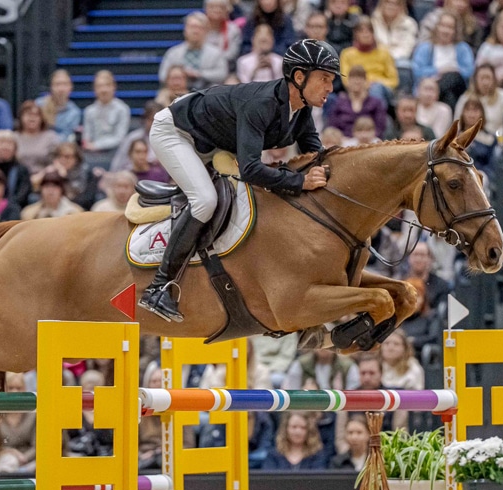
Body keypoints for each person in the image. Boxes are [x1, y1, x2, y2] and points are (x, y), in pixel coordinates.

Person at [140, 39, 335, 322]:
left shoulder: (302, 109)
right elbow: (251, 170)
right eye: (325, 79)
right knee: (206, 201)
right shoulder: (262, 104)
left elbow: (316, 153)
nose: (330, 87)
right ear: (299, 77)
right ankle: (158, 287)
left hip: (214, 141)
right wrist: (300, 182)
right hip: (177, 132)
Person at [411, 10, 474, 108]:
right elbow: (417, 71)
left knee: (453, 76)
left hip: (458, 85)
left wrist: (453, 70)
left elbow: (469, 71)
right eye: (443, 26)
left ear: (455, 30)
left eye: (450, 27)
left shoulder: (463, 48)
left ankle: (435, 92)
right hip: (433, 84)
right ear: (437, 27)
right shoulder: (425, 47)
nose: (445, 31)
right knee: (449, 97)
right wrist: (439, 71)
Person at [160, 12, 230, 92]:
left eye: (200, 28)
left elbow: (222, 74)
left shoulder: (216, 53)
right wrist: (181, 74)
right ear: (185, 30)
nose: (195, 31)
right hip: (177, 94)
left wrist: (199, 74)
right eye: (192, 27)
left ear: (207, 31)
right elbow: (163, 76)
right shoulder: (173, 53)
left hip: (207, 92)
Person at [339, 17, 399, 105]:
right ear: (356, 34)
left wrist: (375, 82)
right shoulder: (347, 54)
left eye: (369, 31)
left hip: (382, 89)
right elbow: (346, 80)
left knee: (376, 89)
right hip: (357, 88)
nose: (366, 34)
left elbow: (394, 81)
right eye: (361, 31)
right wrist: (365, 85)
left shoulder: (384, 53)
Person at [81, 71, 131, 172]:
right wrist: (90, 145)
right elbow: (86, 137)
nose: (103, 90)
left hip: (115, 152)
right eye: (99, 86)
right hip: (92, 153)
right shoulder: (89, 111)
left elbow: (119, 138)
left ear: (114, 87)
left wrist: (96, 145)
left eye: (107, 85)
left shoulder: (122, 109)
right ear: (94, 89)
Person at [454, 63, 503, 136]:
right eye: (482, 78)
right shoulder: (465, 98)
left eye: (488, 78)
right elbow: (457, 125)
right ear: (475, 80)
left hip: (497, 140)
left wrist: (498, 137)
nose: (485, 82)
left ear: (494, 79)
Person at [30, 142, 95, 209]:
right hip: (49, 205)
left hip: (75, 207)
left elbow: (76, 196)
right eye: (59, 156)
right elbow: (34, 184)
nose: (63, 160)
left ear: (76, 158)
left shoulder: (84, 171)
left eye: (67, 157)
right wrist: (45, 172)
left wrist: (64, 177)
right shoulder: (53, 169)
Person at [328, 66, 386, 139]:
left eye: (360, 78)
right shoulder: (338, 103)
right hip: (343, 142)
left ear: (366, 81)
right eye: (353, 78)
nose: (357, 81)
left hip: (369, 142)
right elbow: (332, 127)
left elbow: (380, 128)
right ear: (348, 81)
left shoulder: (376, 103)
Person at [261, 411, 328, 470]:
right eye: (294, 427)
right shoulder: (274, 455)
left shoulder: (317, 455)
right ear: (285, 429)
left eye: (303, 428)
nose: (298, 432)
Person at [0, 371, 37, 472]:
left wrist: (22, 458)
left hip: (30, 462)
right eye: (11, 388)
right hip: (1, 460)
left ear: (25, 390)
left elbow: (38, 447)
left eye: (18, 388)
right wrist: (9, 453)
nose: (15, 392)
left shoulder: (34, 415)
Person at [0, 130, 32, 208]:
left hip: (13, 211)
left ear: (15, 149)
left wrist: (5, 207)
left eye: (9, 143)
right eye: (1, 143)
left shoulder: (22, 170)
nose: (5, 147)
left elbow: (22, 195)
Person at [109, 100, 161, 174]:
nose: (154, 123)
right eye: (151, 119)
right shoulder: (132, 138)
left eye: (158, 120)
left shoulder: (170, 140)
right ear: (144, 119)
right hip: (132, 179)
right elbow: (117, 165)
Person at [13, 100, 61, 173]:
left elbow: (56, 161)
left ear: (42, 118)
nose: (32, 118)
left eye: (36, 115)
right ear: (21, 117)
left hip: (44, 177)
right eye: (28, 114)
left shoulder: (51, 137)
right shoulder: (13, 137)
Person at [36, 69, 82, 141]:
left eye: (65, 84)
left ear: (71, 87)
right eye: (57, 84)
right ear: (51, 87)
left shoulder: (74, 112)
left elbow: (68, 137)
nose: (61, 89)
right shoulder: (39, 105)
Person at [373, 0, 419, 65]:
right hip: (377, 58)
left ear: (401, 7)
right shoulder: (372, 22)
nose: (391, 6)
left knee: (404, 64)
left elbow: (406, 48)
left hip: (399, 60)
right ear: (381, 4)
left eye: (396, 4)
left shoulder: (409, 24)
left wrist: (389, 58)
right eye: (388, 3)